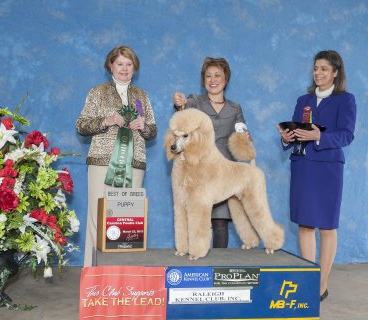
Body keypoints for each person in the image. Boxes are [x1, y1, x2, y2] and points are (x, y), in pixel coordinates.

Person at [277, 50, 356, 302]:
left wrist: (319, 136)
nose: (318, 73)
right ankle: (308, 277)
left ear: (335, 72)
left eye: (324, 68)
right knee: (305, 223)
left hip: (328, 168)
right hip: (303, 166)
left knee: (327, 226)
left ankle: (321, 285)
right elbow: (297, 130)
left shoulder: (346, 99)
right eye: (315, 68)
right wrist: (287, 137)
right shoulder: (303, 100)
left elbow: (347, 135)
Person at [76, 45, 157, 267]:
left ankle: (122, 281)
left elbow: (153, 130)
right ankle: (92, 275)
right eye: (119, 63)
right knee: (98, 219)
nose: (124, 68)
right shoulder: (97, 92)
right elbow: (81, 125)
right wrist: (106, 121)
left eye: (129, 64)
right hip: (102, 162)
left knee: (129, 224)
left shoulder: (142, 96)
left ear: (135, 68)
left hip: (135, 164)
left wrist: (144, 126)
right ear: (110, 65)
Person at [173, 57, 251, 249]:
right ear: (203, 80)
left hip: (223, 172)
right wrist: (180, 103)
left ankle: (219, 270)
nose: (213, 79)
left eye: (218, 75)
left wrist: (246, 139)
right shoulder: (195, 102)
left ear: (226, 79)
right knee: (197, 218)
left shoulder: (235, 108)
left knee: (220, 223)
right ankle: (197, 262)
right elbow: (183, 110)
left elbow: (241, 134)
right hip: (197, 172)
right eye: (208, 76)